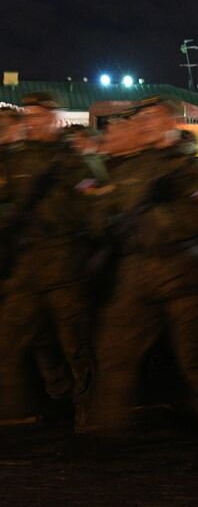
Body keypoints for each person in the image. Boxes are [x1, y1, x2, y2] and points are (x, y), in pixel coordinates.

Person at [90, 98, 198, 440]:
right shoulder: (130, 168)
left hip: (181, 269)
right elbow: (104, 211)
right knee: (115, 349)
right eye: (140, 118)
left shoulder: (191, 168)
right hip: (137, 270)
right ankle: (108, 431)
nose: (144, 124)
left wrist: (172, 212)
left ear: (169, 122)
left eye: (151, 117)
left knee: (195, 359)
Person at [0, 91, 102, 431]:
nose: (31, 122)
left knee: (77, 348)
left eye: (38, 116)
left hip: (64, 264)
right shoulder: (14, 158)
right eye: (27, 116)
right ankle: (51, 399)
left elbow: (94, 209)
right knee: (11, 336)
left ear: (52, 118)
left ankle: (88, 422)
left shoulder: (71, 160)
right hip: (29, 265)